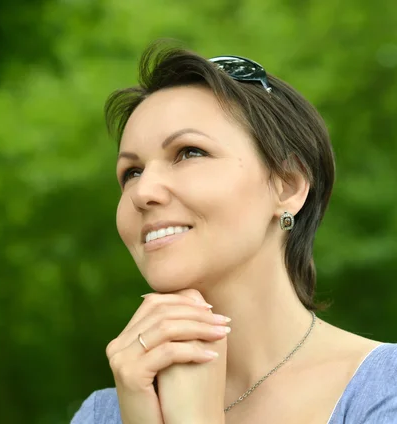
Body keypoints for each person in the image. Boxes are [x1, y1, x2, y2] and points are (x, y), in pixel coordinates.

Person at [71, 41, 397, 424]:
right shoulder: (103, 414)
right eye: (132, 172)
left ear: (288, 186)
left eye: (189, 152)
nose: (142, 193)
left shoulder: (382, 392)